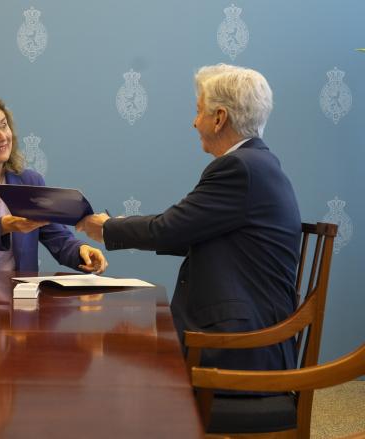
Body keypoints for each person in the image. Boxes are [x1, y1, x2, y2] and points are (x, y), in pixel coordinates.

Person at [76, 64, 301, 372]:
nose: (194, 123)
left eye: (199, 112)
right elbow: (188, 228)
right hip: (248, 335)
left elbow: (171, 228)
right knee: (118, 345)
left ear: (219, 118)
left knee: (110, 359)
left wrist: (106, 228)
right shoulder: (256, 164)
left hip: (239, 348)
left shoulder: (239, 168)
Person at [0, 92, 107, 274]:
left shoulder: (30, 181)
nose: (2, 136)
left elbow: (58, 237)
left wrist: (82, 251)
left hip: (17, 293)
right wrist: (6, 225)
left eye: (3, 125)